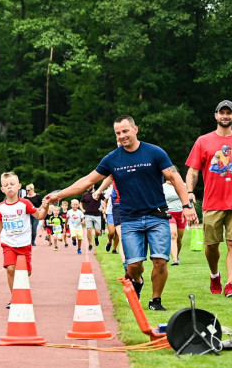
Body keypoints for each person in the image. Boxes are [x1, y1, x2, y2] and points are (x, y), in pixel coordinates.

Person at [45, 115, 197, 311]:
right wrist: (59, 195)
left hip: (157, 216)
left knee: (160, 261)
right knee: (133, 266)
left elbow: (175, 178)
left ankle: (155, 301)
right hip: (130, 219)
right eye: (118, 133)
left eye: (125, 131)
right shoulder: (112, 159)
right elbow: (87, 181)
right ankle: (137, 281)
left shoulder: (154, 152)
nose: (122, 136)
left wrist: (187, 205)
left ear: (136, 130)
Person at [184, 99, 232, 297]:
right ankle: (215, 274)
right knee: (211, 246)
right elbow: (193, 170)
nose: (225, 116)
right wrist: (189, 192)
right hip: (213, 201)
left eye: (229, 113)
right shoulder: (203, 141)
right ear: (216, 115)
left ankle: (230, 284)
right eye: (221, 112)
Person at [0, 172, 50, 307]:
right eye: (6, 185)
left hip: (24, 244)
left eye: (12, 184)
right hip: (8, 243)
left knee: (27, 272)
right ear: (2, 189)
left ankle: (22, 290)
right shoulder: (1, 207)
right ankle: (14, 298)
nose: (9, 187)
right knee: (10, 269)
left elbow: (39, 216)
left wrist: (46, 207)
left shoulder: (25, 203)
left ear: (19, 186)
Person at [163, 175, 184, 266]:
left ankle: (176, 255)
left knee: (179, 238)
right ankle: (175, 259)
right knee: (173, 234)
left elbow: (188, 200)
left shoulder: (183, 185)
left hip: (181, 213)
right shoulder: (163, 187)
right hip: (169, 212)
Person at [79, 185, 103, 249]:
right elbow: (80, 203)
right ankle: (90, 244)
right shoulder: (85, 195)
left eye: (89, 186)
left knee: (98, 231)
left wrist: (102, 207)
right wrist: (82, 209)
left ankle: (96, 237)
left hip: (97, 215)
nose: (87, 187)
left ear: (93, 185)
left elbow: (106, 200)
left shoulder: (98, 193)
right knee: (89, 229)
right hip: (88, 214)